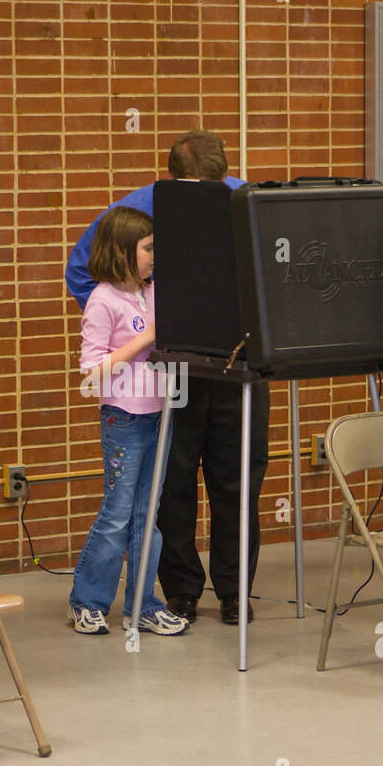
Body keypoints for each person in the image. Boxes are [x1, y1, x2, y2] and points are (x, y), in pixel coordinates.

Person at [65, 130, 268, 625]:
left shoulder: (248, 204)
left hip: (237, 365)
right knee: (172, 482)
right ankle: (180, 590)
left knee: (237, 479)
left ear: (224, 177)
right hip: (169, 365)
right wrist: (129, 322)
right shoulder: (137, 211)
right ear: (172, 180)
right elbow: (82, 271)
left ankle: (235, 591)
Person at [69, 207, 187, 636]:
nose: (155, 255)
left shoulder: (151, 291)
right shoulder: (103, 300)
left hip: (160, 415)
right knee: (117, 515)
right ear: (122, 252)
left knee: (147, 515)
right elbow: (92, 371)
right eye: (148, 248)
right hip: (124, 419)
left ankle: (144, 602)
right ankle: (87, 601)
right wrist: (145, 338)